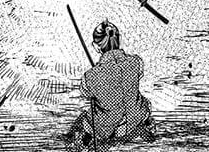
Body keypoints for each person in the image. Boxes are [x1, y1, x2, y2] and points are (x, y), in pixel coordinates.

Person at [66, 21, 154, 149]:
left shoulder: (90, 75)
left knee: (84, 120)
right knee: (143, 104)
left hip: (108, 128)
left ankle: (83, 142)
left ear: (96, 47)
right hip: (136, 116)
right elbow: (138, 75)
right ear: (119, 40)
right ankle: (147, 125)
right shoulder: (136, 61)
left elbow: (85, 92)